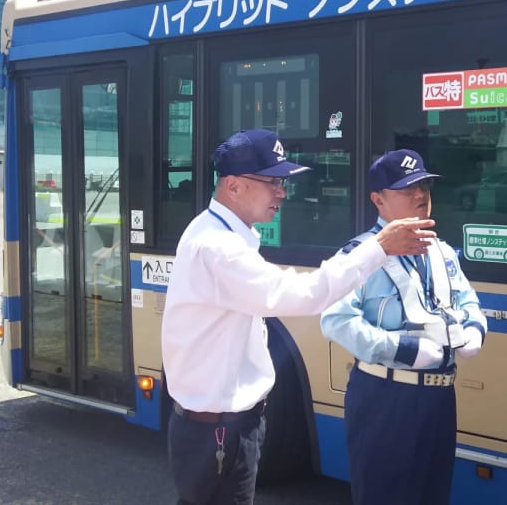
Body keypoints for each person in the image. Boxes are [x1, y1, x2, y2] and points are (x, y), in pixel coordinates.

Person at [161, 130, 437, 505]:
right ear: (234, 186)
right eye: (272, 182)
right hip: (219, 433)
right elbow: (304, 295)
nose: (282, 192)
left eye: (283, 182)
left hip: (221, 428)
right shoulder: (219, 248)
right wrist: (378, 247)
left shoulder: (219, 233)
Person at [320, 149, 487, 505]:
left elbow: (468, 300)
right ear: (378, 200)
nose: (419, 194)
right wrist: (403, 350)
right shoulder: (359, 255)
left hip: (439, 397)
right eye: (406, 188)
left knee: (433, 494)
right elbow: (335, 320)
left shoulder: (442, 252)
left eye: (423, 184)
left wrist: (475, 329)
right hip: (386, 398)